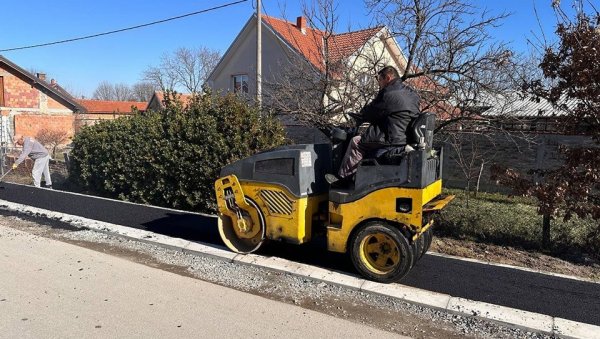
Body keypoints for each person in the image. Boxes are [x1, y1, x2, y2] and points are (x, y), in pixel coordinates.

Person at [326, 66, 420, 186]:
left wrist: (362, 115)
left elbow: (369, 114)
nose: (379, 84)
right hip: (405, 136)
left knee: (356, 141)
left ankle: (344, 180)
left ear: (388, 77)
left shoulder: (387, 93)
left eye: (380, 80)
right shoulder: (412, 94)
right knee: (366, 136)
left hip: (392, 137)